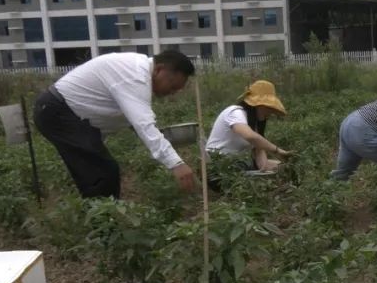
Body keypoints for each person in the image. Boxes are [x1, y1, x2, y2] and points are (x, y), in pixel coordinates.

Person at [33, 50, 197, 199]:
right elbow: (143, 125)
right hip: (58, 113)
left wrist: (165, 141)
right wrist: (176, 164)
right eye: (173, 85)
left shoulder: (136, 70)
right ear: (160, 70)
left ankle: (105, 222)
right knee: (102, 173)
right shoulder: (135, 76)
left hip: (66, 115)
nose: (172, 92)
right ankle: (105, 227)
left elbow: (137, 123)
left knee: (99, 173)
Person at [204, 80, 290, 187]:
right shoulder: (235, 113)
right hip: (219, 169)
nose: (269, 113)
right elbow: (250, 136)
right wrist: (277, 150)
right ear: (258, 105)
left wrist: (282, 166)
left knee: (284, 167)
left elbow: (261, 162)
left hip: (236, 165)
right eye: (268, 108)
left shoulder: (253, 125)